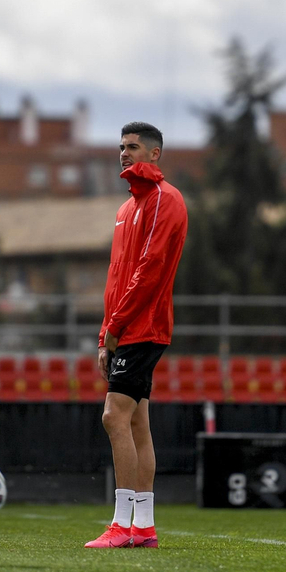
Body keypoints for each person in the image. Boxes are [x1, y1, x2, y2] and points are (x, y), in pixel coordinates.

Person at [85, 122, 188, 550]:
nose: (124, 154)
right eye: (121, 147)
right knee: (137, 424)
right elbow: (117, 278)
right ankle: (143, 527)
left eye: (133, 147)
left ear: (155, 154)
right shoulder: (127, 208)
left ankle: (121, 524)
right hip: (126, 327)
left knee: (114, 416)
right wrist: (104, 332)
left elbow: (148, 273)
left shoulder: (166, 200)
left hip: (144, 326)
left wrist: (116, 326)